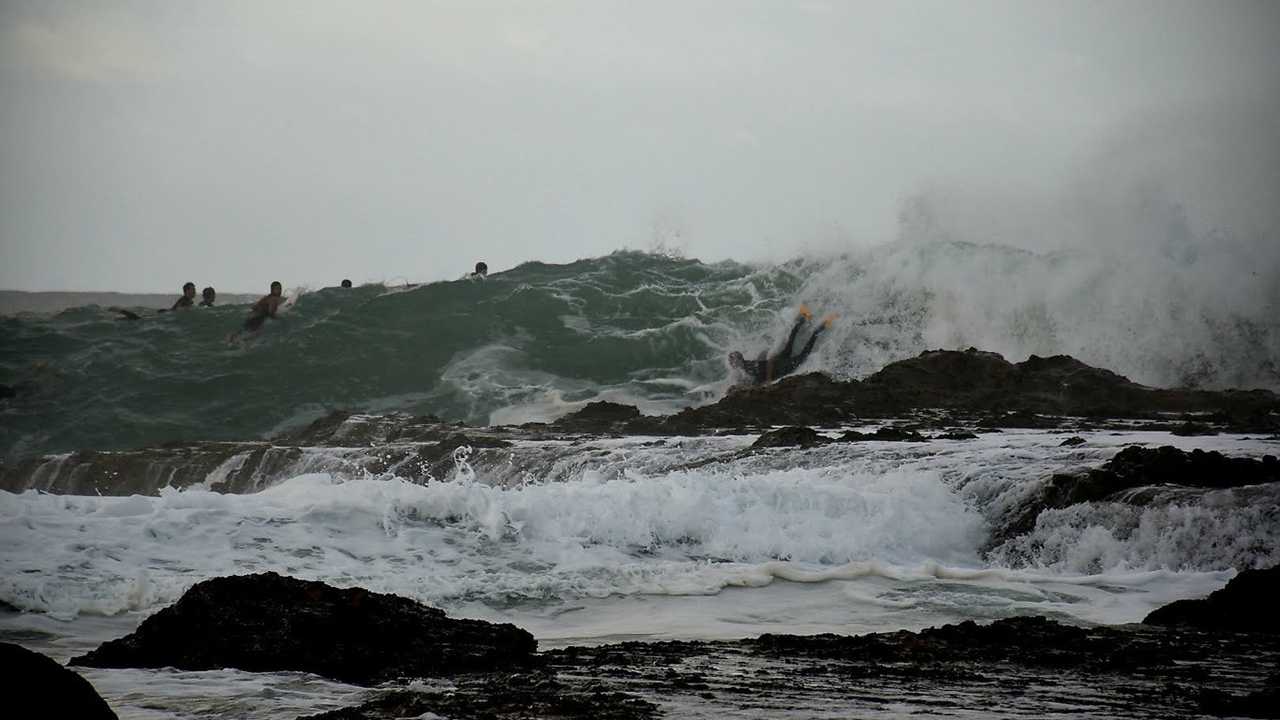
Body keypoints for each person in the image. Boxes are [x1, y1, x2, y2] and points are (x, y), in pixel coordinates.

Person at [728, 305, 833, 385]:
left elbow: (769, 362)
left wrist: (768, 379)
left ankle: (821, 326)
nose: (731, 364)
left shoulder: (749, 368)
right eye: (731, 361)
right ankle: (803, 315)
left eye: (732, 361)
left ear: (738, 361)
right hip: (779, 360)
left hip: (783, 367)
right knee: (790, 343)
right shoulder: (747, 365)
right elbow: (764, 357)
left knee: (804, 354)